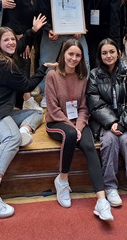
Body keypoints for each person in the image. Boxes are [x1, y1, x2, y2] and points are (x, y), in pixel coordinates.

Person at [0, 17, 56, 219]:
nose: (11, 42)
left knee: (37, 112)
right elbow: (27, 86)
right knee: (11, 140)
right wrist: (43, 68)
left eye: (12, 39)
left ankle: (24, 131)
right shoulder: (3, 64)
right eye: (6, 40)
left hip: (2, 111)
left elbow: (19, 45)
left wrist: (32, 31)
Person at [45, 39, 114, 221]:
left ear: (81, 58)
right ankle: (62, 181)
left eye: (77, 55)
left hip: (78, 123)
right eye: (70, 54)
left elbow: (84, 108)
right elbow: (52, 109)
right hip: (56, 122)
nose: (73, 58)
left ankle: (101, 201)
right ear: (63, 54)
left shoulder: (83, 78)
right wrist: (72, 128)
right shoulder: (52, 75)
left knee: (89, 147)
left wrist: (79, 127)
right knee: (68, 135)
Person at [86, 39, 127, 207]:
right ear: (100, 55)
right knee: (109, 141)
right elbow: (94, 103)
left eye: (112, 51)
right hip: (105, 123)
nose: (108, 56)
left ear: (118, 53)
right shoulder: (94, 75)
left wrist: (123, 124)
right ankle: (110, 187)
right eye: (104, 53)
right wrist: (112, 122)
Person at [37, 0, 90, 108]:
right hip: (53, 33)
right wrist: (48, 30)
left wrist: (82, 27)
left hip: (76, 32)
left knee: (84, 60)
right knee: (46, 61)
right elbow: (41, 15)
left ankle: (84, 94)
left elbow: (87, 14)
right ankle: (47, 95)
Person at [3, 0, 44, 111]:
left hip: (31, 30)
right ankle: (25, 100)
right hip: (16, 33)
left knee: (28, 60)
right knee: (23, 60)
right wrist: (23, 42)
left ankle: (24, 99)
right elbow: (13, 21)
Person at [86, 0, 121, 66]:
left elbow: (115, 20)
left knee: (105, 61)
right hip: (89, 31)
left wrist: (116, 44)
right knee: (91, 60)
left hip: (106, 31)